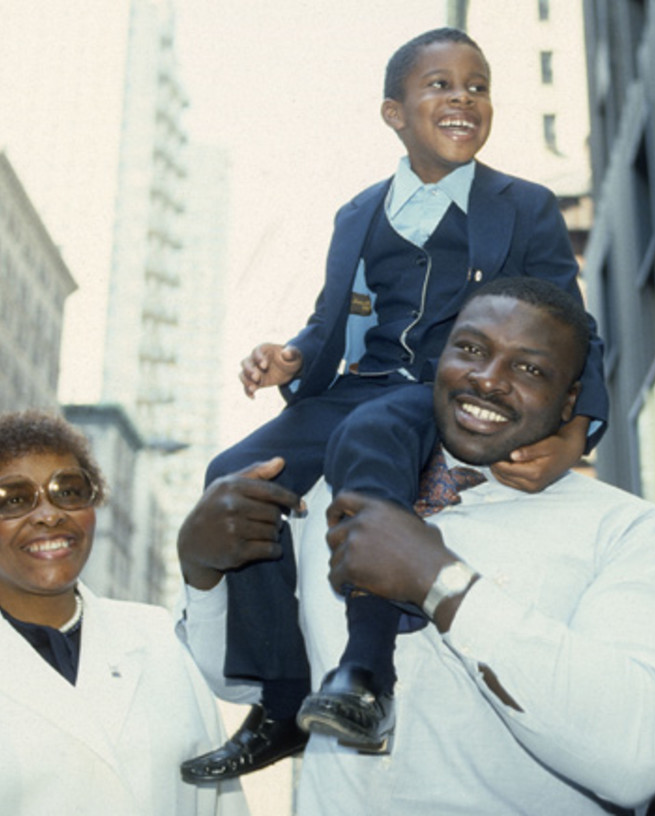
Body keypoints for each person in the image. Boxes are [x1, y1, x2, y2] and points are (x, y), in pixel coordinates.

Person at [181, 27, 609, 782]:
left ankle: (367, 673)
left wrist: (578, 428)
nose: (462, 99)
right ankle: (280, 699)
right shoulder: (358, 213)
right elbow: (328, 323)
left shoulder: (526, 206)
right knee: (236, 471)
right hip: (361, 379)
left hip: (452, 389)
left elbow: (575, 326)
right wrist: (290, 356)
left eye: (476, 86)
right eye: (439, 85)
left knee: (372, 437)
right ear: (394, 114)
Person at [176, 278, 655, 814]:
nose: (488, 380)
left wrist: (440, 582)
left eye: (529, 368)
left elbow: (640, 758)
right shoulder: (323, 495)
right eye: (470, 350)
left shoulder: (626, 532)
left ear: (570, 400)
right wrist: (204, 573)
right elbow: (242, 684)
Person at [0, 411, 248, 816]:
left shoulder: (163, 640)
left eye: (68, 491)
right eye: (13, 500)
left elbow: (221, 803)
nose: (49, 514)